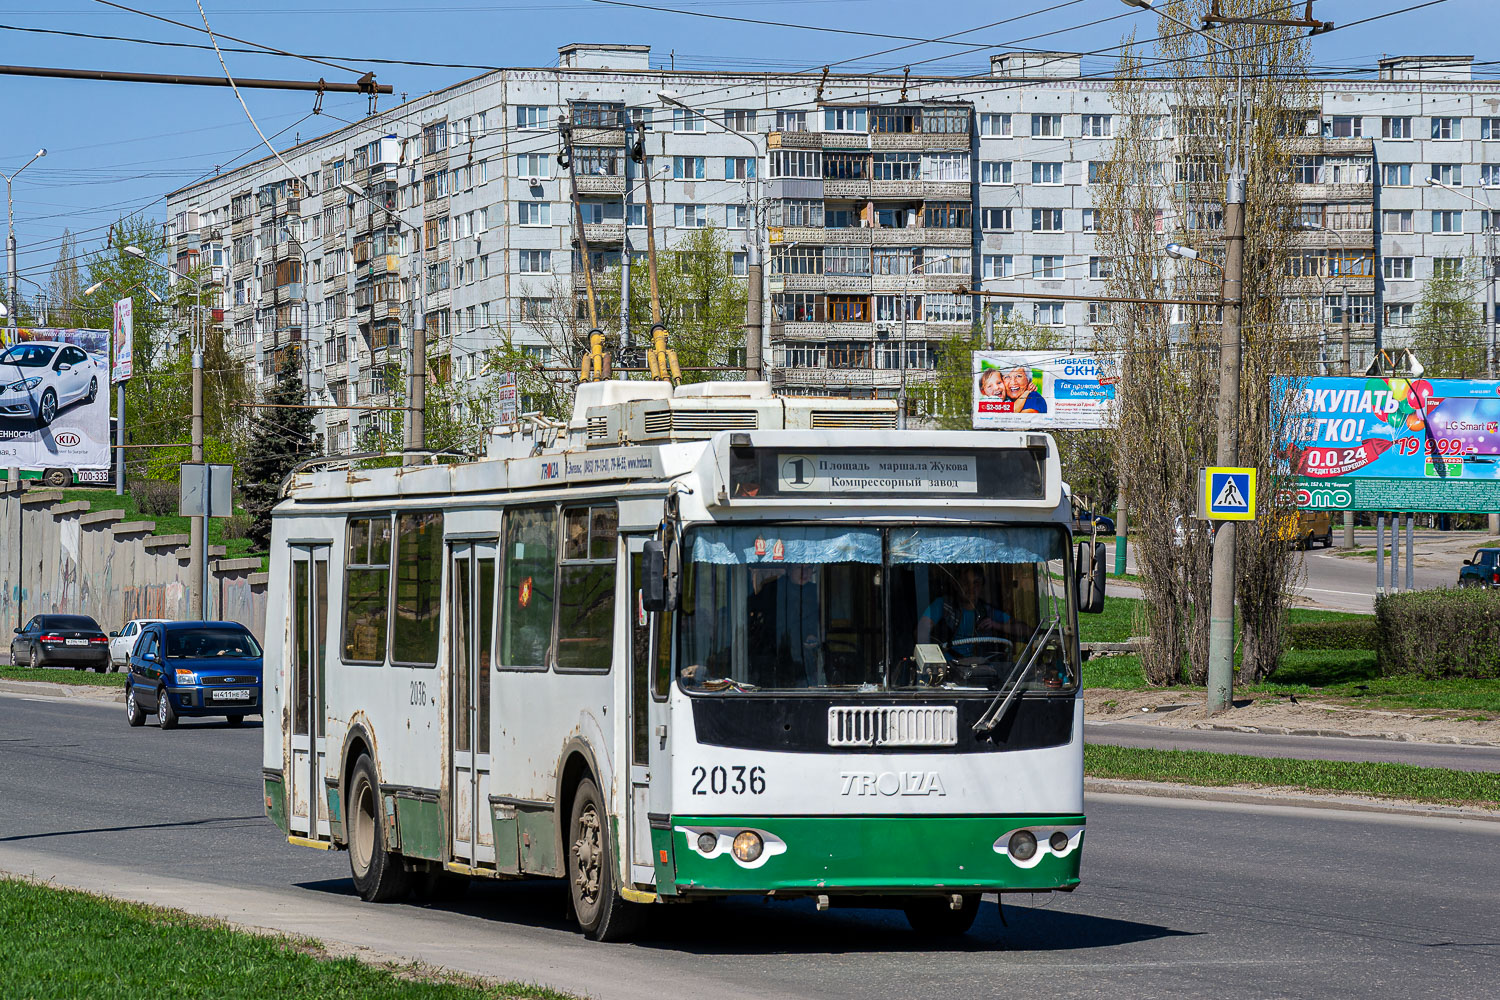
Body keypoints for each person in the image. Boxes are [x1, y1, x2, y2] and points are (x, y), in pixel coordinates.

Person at [916, 566, 1010, 647]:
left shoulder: (987, 611)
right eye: (965, 582)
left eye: (976, 583)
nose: (971, 588)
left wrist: (996, 625)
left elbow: (1022, 629)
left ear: (982, 586)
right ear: (956, 585)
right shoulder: (943, 605)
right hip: (949, 666)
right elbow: (921, 631)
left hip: (982, 666)